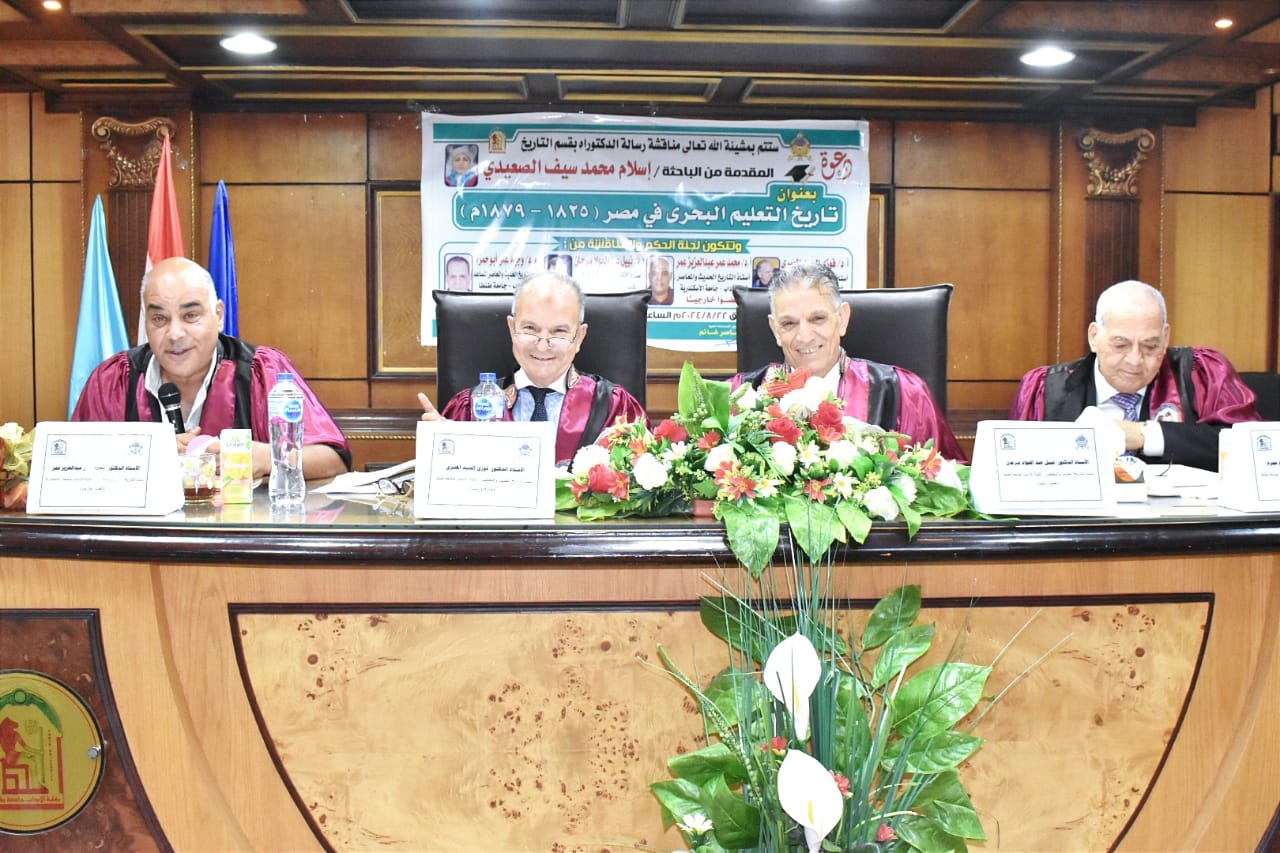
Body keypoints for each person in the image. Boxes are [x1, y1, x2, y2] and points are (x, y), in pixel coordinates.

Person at [72, 257, 351, 480]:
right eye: (159, 319)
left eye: (190, 316)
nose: (175, 334)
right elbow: (69, 466)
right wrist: (146, 455)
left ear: (218, 315)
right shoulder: (114, 380)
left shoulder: (261, 371)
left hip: (242, 531)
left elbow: (334, 459)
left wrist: (267, 458)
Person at [1008, 279, 1259, 471]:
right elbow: (1015, 471)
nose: (1135, 360)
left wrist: (1145, 435)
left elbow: (1254, 450)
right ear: (1094, 337)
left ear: (1166, 338)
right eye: (1121, 345)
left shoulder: (1200, 375)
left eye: (1150, 346)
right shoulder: (1045, 389)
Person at [732, 261, 965, 461]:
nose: (804, 336)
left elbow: (946, 483)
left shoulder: (902, 393)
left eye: (818, 318)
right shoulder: (740, 395)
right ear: (775, 329)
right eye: (789, 323)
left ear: (842, 319)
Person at [417, 271, 646, 466]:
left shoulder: (614, 408)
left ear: (579, 337)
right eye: (530, 329)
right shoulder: (468, 409)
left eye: (559, 332)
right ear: (512, 328)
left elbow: (640, 489)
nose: (543, 345)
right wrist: (442, 445)